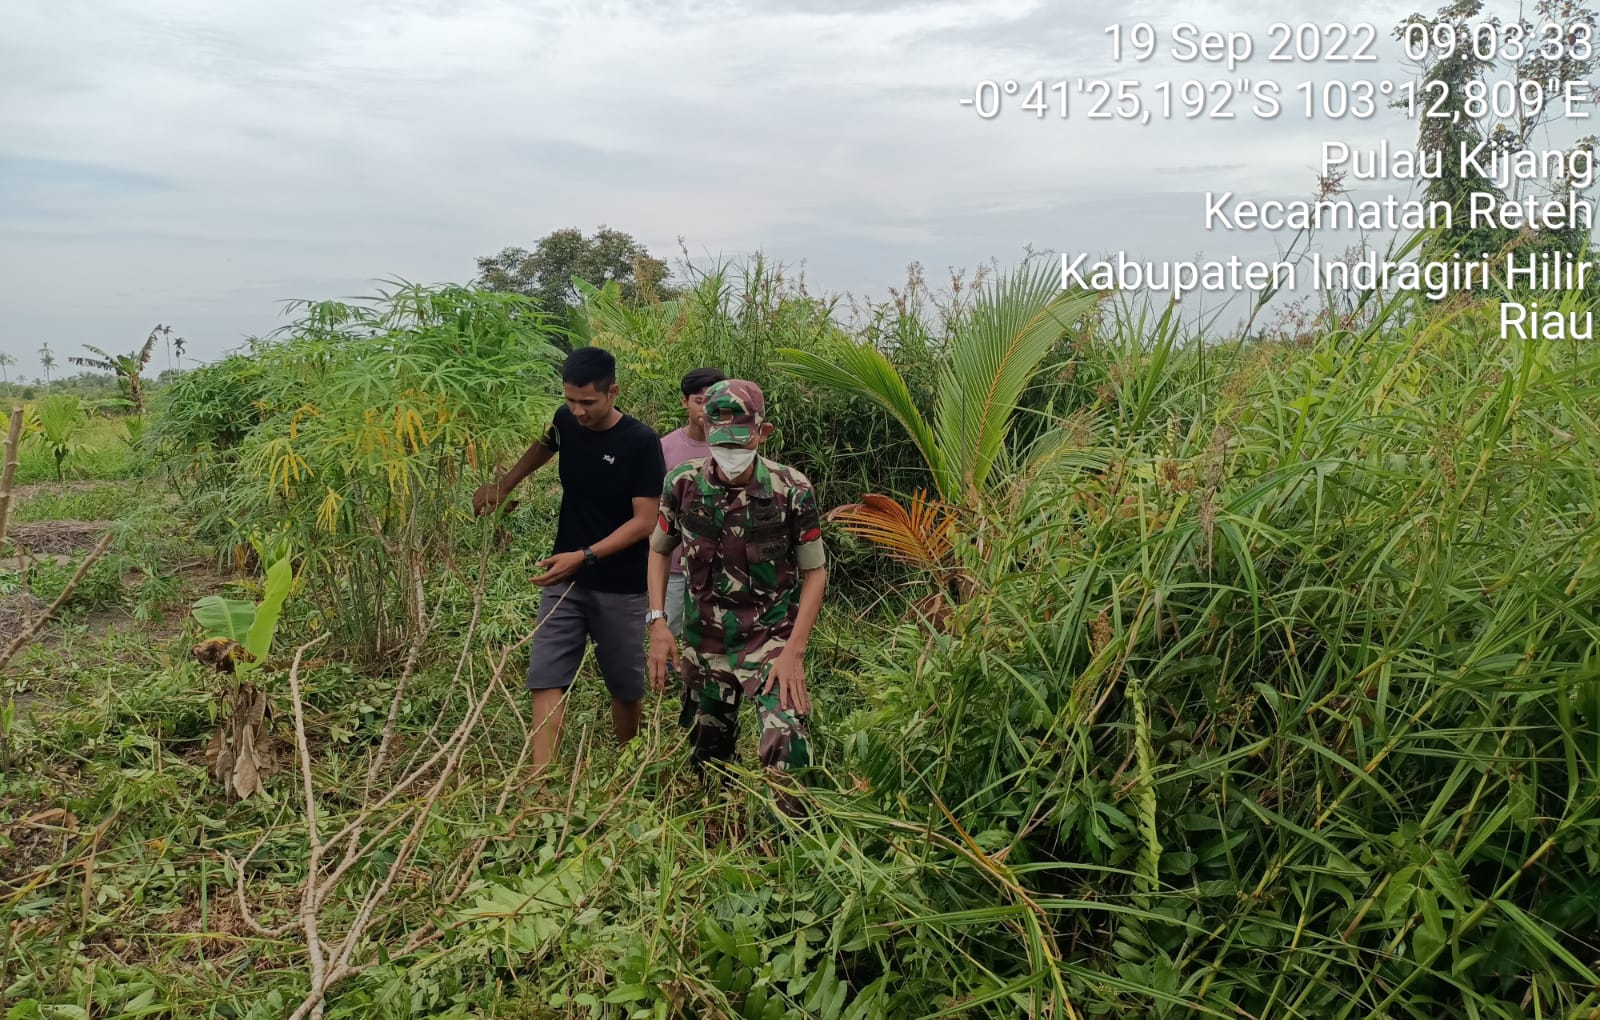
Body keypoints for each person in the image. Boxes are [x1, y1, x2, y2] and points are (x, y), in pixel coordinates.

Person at [473, 347, 666, 773]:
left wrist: (585, 556)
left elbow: (645, 521)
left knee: (624, 685)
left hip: (620, 582)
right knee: (546, 673)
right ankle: (542, 782)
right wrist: (503, 485)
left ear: (613, 392)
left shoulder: (640, 442)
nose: (576, 411)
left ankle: (625, 765)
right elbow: (545, 444)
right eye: (570, 400)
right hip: (563, 578)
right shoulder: (565, 421)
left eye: (587, 403)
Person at [645, 379, 827, 816]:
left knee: (787, 748)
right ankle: (722, 831)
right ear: (705, 428)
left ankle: (792, 847)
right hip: (704, 642)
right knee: (709, 759)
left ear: (763, 433)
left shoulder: (791, 489)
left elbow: (815, 572)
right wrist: (657, 622)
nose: (729, 454)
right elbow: (657, 549)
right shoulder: (682, 483)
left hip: (770, 638)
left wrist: (794, 653)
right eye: (719, 440)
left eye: (740, 442)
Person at [658, 366, 726, 638]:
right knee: (671, 632)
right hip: (674, 564)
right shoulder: (664, 448)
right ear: (684, 401)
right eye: (699, 401)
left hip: (719, 565)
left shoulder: (731, 447)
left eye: (713, 401)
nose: (705, 409)